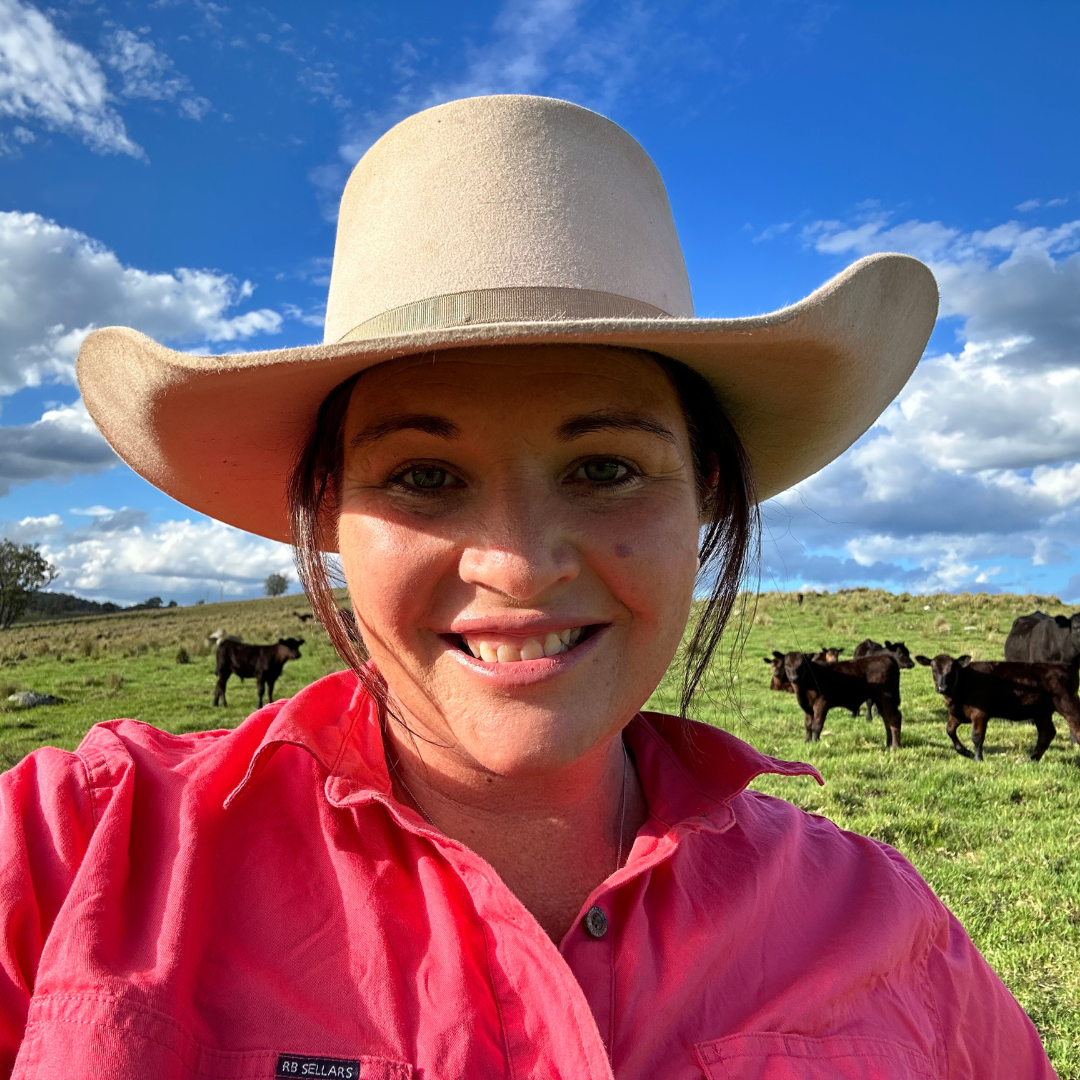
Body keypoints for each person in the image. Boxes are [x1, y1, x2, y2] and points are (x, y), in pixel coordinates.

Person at [0, 96, 1055, 1078]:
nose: (515, 563)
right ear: (325, 512)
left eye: (606, 468)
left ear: (707, 495)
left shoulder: (886, 931)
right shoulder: (74, 854)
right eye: (423, 477)